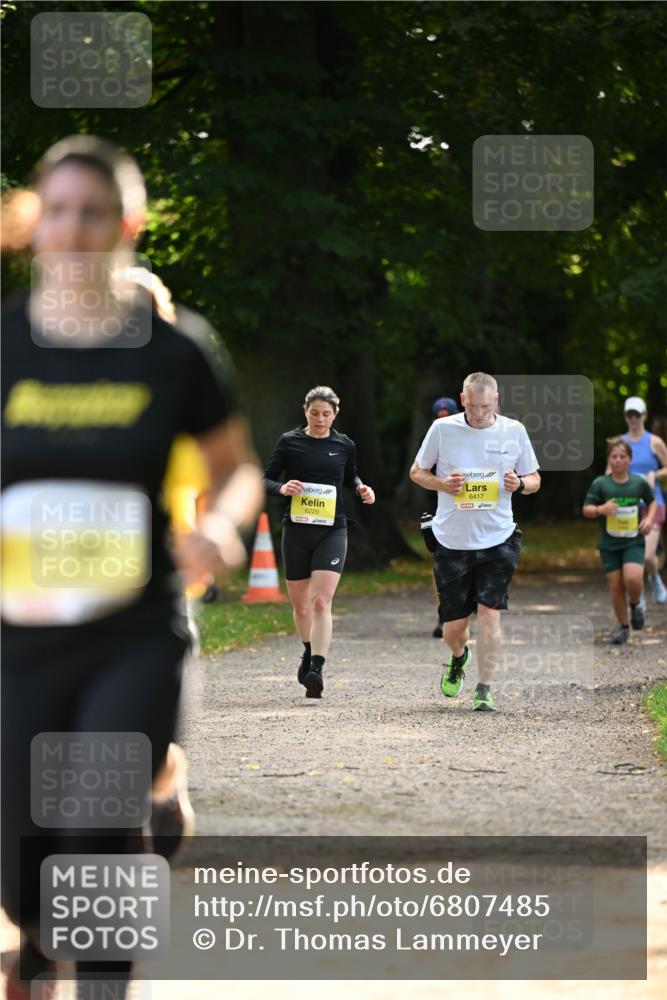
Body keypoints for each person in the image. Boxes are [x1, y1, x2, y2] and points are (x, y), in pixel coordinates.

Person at [1, 135, 263, 998]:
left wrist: (220, 528)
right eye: (59, 212)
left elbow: (234, 474)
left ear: (130, 225)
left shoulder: (176, 349)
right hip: (19, 641)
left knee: (96, 836)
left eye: (94, 214)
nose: (74, 231)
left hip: (134, 632)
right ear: (35, 224)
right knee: (24, 869)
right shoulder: (5, 346)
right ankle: (40, 946)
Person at [410, 372, 540, 712]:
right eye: (473, 405)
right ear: (462, 399)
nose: (480, 413)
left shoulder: (514, 431)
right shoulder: (443, 429)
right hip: (452, 540)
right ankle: (458, 656)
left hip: (499, 538)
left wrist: (520, 484)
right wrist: (442, 484)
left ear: (496, 401)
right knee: (454, 629)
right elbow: (416, 472)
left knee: (489, 614)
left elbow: (535, 478)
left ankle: (485, 687)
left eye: (486, 406)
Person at [264, 386, 375, 698]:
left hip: (332, 529)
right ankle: (307, 649)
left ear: (335, 414)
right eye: (315, 413)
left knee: (321, 601)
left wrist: (362, 489)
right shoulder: (289, 442)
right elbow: (265, 479)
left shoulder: (344, 445)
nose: (321, 419)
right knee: (301, 606)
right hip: (297, 530)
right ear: (305, 411)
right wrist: (282, 488)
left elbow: (352, 476)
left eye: (327, 414)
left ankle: (317, 668)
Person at [584, 437, 656, 644]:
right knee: (616, 585)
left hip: (633, 540)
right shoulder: (600, 484)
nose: (618, 460)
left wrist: (649, 520)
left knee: (632, 578)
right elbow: (586, 510)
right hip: (609, 544)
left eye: (622, 456)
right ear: (608, 460)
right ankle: (624, 627)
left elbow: (652, 503)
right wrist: (601, 509)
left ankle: (635, 605)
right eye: (614, 456)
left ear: (630, 460)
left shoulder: (638, 483)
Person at [618, 397, 667, 604]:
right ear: (625, 417)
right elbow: (608, 472)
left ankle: (655, 579)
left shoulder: (654, 442)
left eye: (637, 414)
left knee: (647, 556)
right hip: (626, 507)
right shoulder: (620, 444)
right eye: (630, 414)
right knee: (631, 558)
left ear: (644, 415)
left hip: (652, 505)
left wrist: (654, 476)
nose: (633, 419)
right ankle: (637, 597)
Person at [426, 397, 460, 639]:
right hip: (440, 511)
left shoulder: (472, 440)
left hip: (472, 510)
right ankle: (444, 614)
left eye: (448, 417)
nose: (444, 422)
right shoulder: (431, 441)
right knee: (439, 563)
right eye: (439, 418)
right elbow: (419, 473)